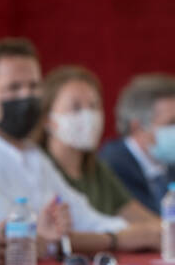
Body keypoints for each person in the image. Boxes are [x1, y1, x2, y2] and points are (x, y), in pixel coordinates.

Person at [0, 37, 159, 253]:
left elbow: (84, 217)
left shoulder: (31, 154)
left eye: (33, 86)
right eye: (14, 88)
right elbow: (22, 241)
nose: (26, 96)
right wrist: (116, 239)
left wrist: (142, 233)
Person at [36, 66, 158, 222]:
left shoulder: (97, 169)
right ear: (48, 119)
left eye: (94, 106)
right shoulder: (38, 167)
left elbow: (144, 220)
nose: (88, 116)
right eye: (76, 107)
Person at [99, 74, 175, 214]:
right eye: (172, 122)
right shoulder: (112, 165)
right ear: (137, 127)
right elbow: (151, 221)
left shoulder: (172, 169)